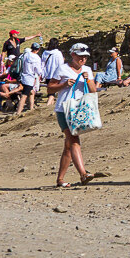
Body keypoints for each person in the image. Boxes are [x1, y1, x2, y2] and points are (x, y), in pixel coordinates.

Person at [45, 43, 97, 188]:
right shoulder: (62, 68)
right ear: (73, 55)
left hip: (79, 109)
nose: (83, 60)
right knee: (74, 140)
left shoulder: (87, 70)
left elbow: (93, 90)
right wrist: (64, 85)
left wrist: (87, 79)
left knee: (69, 145)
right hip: (64, 109)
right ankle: (83, 174)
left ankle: (60, 180)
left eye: (85, 57)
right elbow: (49, 88)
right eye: (81, 56)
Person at [13, 42, 44, 116]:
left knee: (31, 92)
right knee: (24, 95)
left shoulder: (25, 55)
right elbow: (38, 70)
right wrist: (41, 74)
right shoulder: (36, 58)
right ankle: (18, 112)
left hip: (22, 75)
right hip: (29, 78)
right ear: (38, 49)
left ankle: (31, 109)